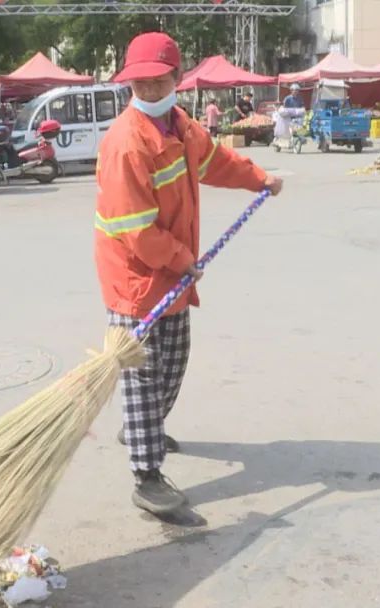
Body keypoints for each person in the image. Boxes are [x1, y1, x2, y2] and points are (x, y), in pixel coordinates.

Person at [95, 31, 284, 516]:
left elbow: (217, 161)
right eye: (141, 84)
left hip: (174, 272)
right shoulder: (125, 144)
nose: (151, 91)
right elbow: (135, 229)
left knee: (174, 361)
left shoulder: (182, 126)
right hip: (135, 278)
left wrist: (259, 179)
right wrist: (182, 259)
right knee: (141, 372)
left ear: (178, 79)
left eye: (159, 82)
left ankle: (142, 426)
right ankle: (146, 474)